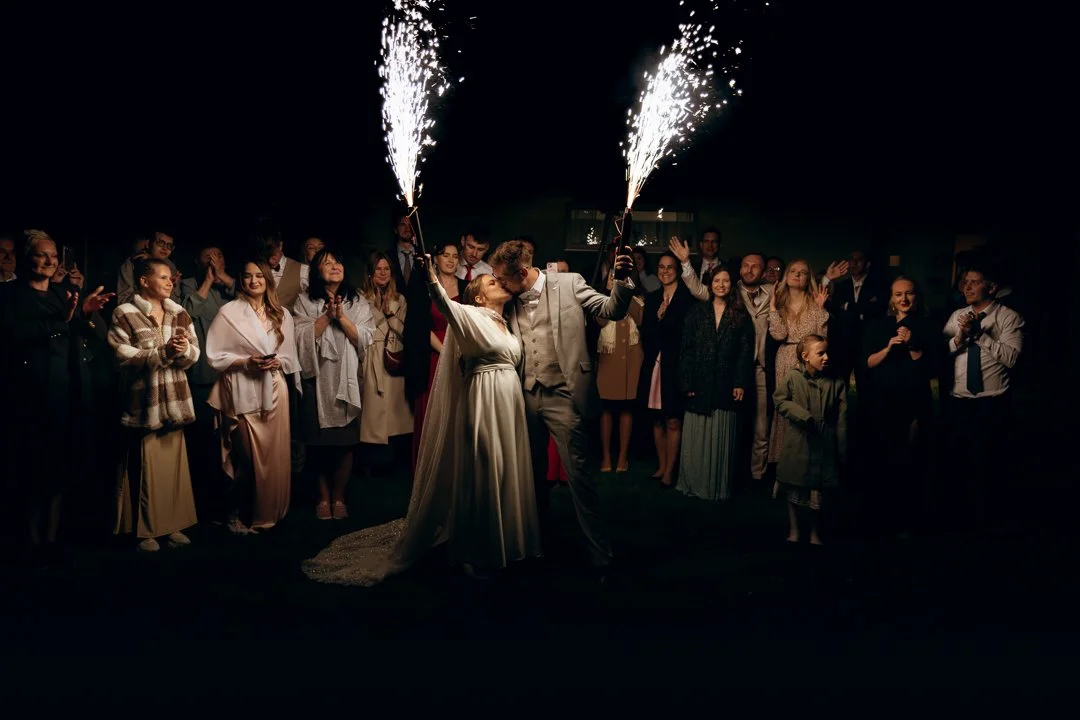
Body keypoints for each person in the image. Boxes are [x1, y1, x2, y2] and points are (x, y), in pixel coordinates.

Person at [302, 257, 541, 584]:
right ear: (479, 298)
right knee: (484, 469)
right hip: (485, 401)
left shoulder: (507, 322)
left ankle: (510, 541)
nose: (498, 283)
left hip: (508, 401)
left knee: (507, 468)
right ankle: (475, 550)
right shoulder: (469, 315)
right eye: (491, 283)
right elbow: (441, 301)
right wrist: (429, 274)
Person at [489, 239, 635, 582]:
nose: (500, 285)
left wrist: (622, 282)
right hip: (523, 395)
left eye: (504, 280)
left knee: (579, 478)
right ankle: (535, 547)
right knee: (530, 479)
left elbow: (611, 310)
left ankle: (600, 558)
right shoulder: (508, 300)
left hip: (564, 396)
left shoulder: (569, 284)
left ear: (522, 273)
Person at [108, 259, 200, 552]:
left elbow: (195, 354)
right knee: (144, 466)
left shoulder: (179, 312)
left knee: (173, 468)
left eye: (170, 276)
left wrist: (182, 350)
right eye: (162, 276)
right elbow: (122, 355)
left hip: (175, 401)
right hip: (143, 403)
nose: (170, 281)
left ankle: (170, 525)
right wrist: (161, 353)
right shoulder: (125, 313)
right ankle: (143, 529)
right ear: (144, 281)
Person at [205, 259, 300, 534]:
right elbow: (215, 356)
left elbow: (290, 356)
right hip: (241, 388)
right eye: (247, 276)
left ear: (268, 280)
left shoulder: (281, 313)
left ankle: (271, 511)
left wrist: (276, 362)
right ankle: (244, 512)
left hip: (274, 387)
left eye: (259, 276)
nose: (253, 281)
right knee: (248, 457)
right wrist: (247, 362)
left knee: (276, 455)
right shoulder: (228, 312)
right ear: (241, 280)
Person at [293, 248, 375, 520]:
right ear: (317, 271)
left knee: (345, 443)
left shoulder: (357, 301)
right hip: (317, 380)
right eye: (326, 263)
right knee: (317, 444)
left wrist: (341, 316)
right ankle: (323, 497)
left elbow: (365, 337)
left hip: (347, 378)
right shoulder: (305, 300)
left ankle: (339, 496)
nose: (334, 266)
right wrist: (327, 315)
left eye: (338, 261)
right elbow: (300, 337)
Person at [676, 267, 754, 501]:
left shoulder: (740, 315)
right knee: (697, 436)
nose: (721, 284)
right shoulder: (697, 312)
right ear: (710, 284)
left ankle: (716, 488)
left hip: (725, 383)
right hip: (698, 383)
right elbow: (686, 349)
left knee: (721, 435)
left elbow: (745, 352)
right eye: (717, 280)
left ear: (732, 284)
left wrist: (740, 383)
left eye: (726, 280)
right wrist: (687, 380)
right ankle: (692, 483)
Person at [774, 335, 847, 545]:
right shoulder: (793, 377)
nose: (826, 357)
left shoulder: (836, 382)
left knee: (817, 495)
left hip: (823, 447)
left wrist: (841, 447)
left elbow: (842, 417)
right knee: (795, 490)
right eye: (820, 353)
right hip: (798, 444)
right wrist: (800, 415)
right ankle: (795, 530)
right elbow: (780, 399)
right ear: (805, 357)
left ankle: (815, 533)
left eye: (827, 352)